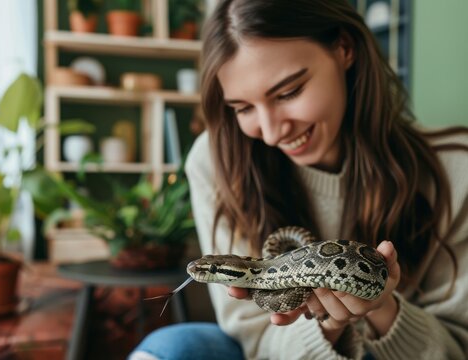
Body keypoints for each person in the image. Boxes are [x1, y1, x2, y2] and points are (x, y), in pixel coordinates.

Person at [129, 0, 468, 359]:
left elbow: (457, 347)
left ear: (344, 49)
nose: (272, 133)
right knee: (172, 348)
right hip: (290, 352)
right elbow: (255, 339)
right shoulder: (216, 160)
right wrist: (327, 327)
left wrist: (379, 306)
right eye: (243, 108)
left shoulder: (454, 165)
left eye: (289, 92)